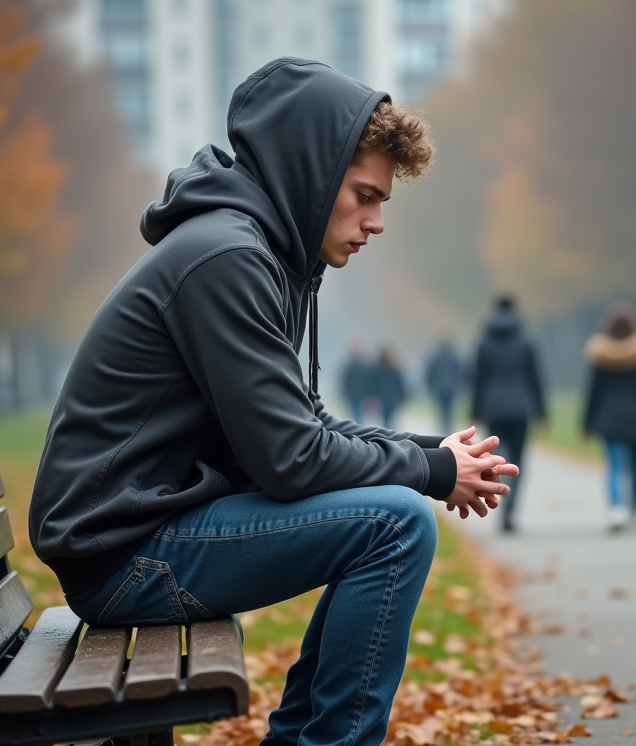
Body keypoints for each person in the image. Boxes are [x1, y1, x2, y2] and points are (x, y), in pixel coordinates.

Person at [28, 58, 517, 746]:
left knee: (394, 516)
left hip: (136, 535)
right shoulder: (227, 258)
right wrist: (429, 475)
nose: (376, 222)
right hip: (123, 555)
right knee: (396, 525)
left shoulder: (258, 254)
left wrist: (428, 452)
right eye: (364, 195)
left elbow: (299, 429)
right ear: (314, 178)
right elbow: (291, 461)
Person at [581, 305, 636, 532]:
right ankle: (634, 510)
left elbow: (593, 393)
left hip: (609, 418)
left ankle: (618, 509)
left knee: (615, 465)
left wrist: (587, 424)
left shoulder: (600, 356)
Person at [470, 295, 546, 532]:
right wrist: (541, 412)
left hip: (494, 406)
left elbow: (478, 380)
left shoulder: (484, 342)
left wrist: (475, 411)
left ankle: (501, 498)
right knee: (518, 459)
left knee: (498, 456)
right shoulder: (526, 340)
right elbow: (535, 378)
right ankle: (511, 508)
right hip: (520, 405)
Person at [425, 335, 463, 433]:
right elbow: (459, 371)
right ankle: (448, 426)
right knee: (449, 408)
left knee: (442, 408)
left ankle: (443, 427)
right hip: (451, 387)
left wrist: (430, 385)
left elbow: (431, 372)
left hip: (439, 387)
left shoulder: (435, 356)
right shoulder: (454, 356)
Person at [370, 345, 406, 427]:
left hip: (381, 397)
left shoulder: (376, 369)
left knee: (384, 417)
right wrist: (403, 397)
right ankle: (388, 430)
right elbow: (399, 385)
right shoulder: (394, 369)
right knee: (389, 418)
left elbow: (372, 384)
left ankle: (386, 429)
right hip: (392, 398)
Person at [339, 338, 370, 422]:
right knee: (356, 414)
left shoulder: (364, 364)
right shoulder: (351, 364)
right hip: (353, 394)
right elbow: (346, 380)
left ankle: (358, 430)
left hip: (361, 394)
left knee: (357, 414)